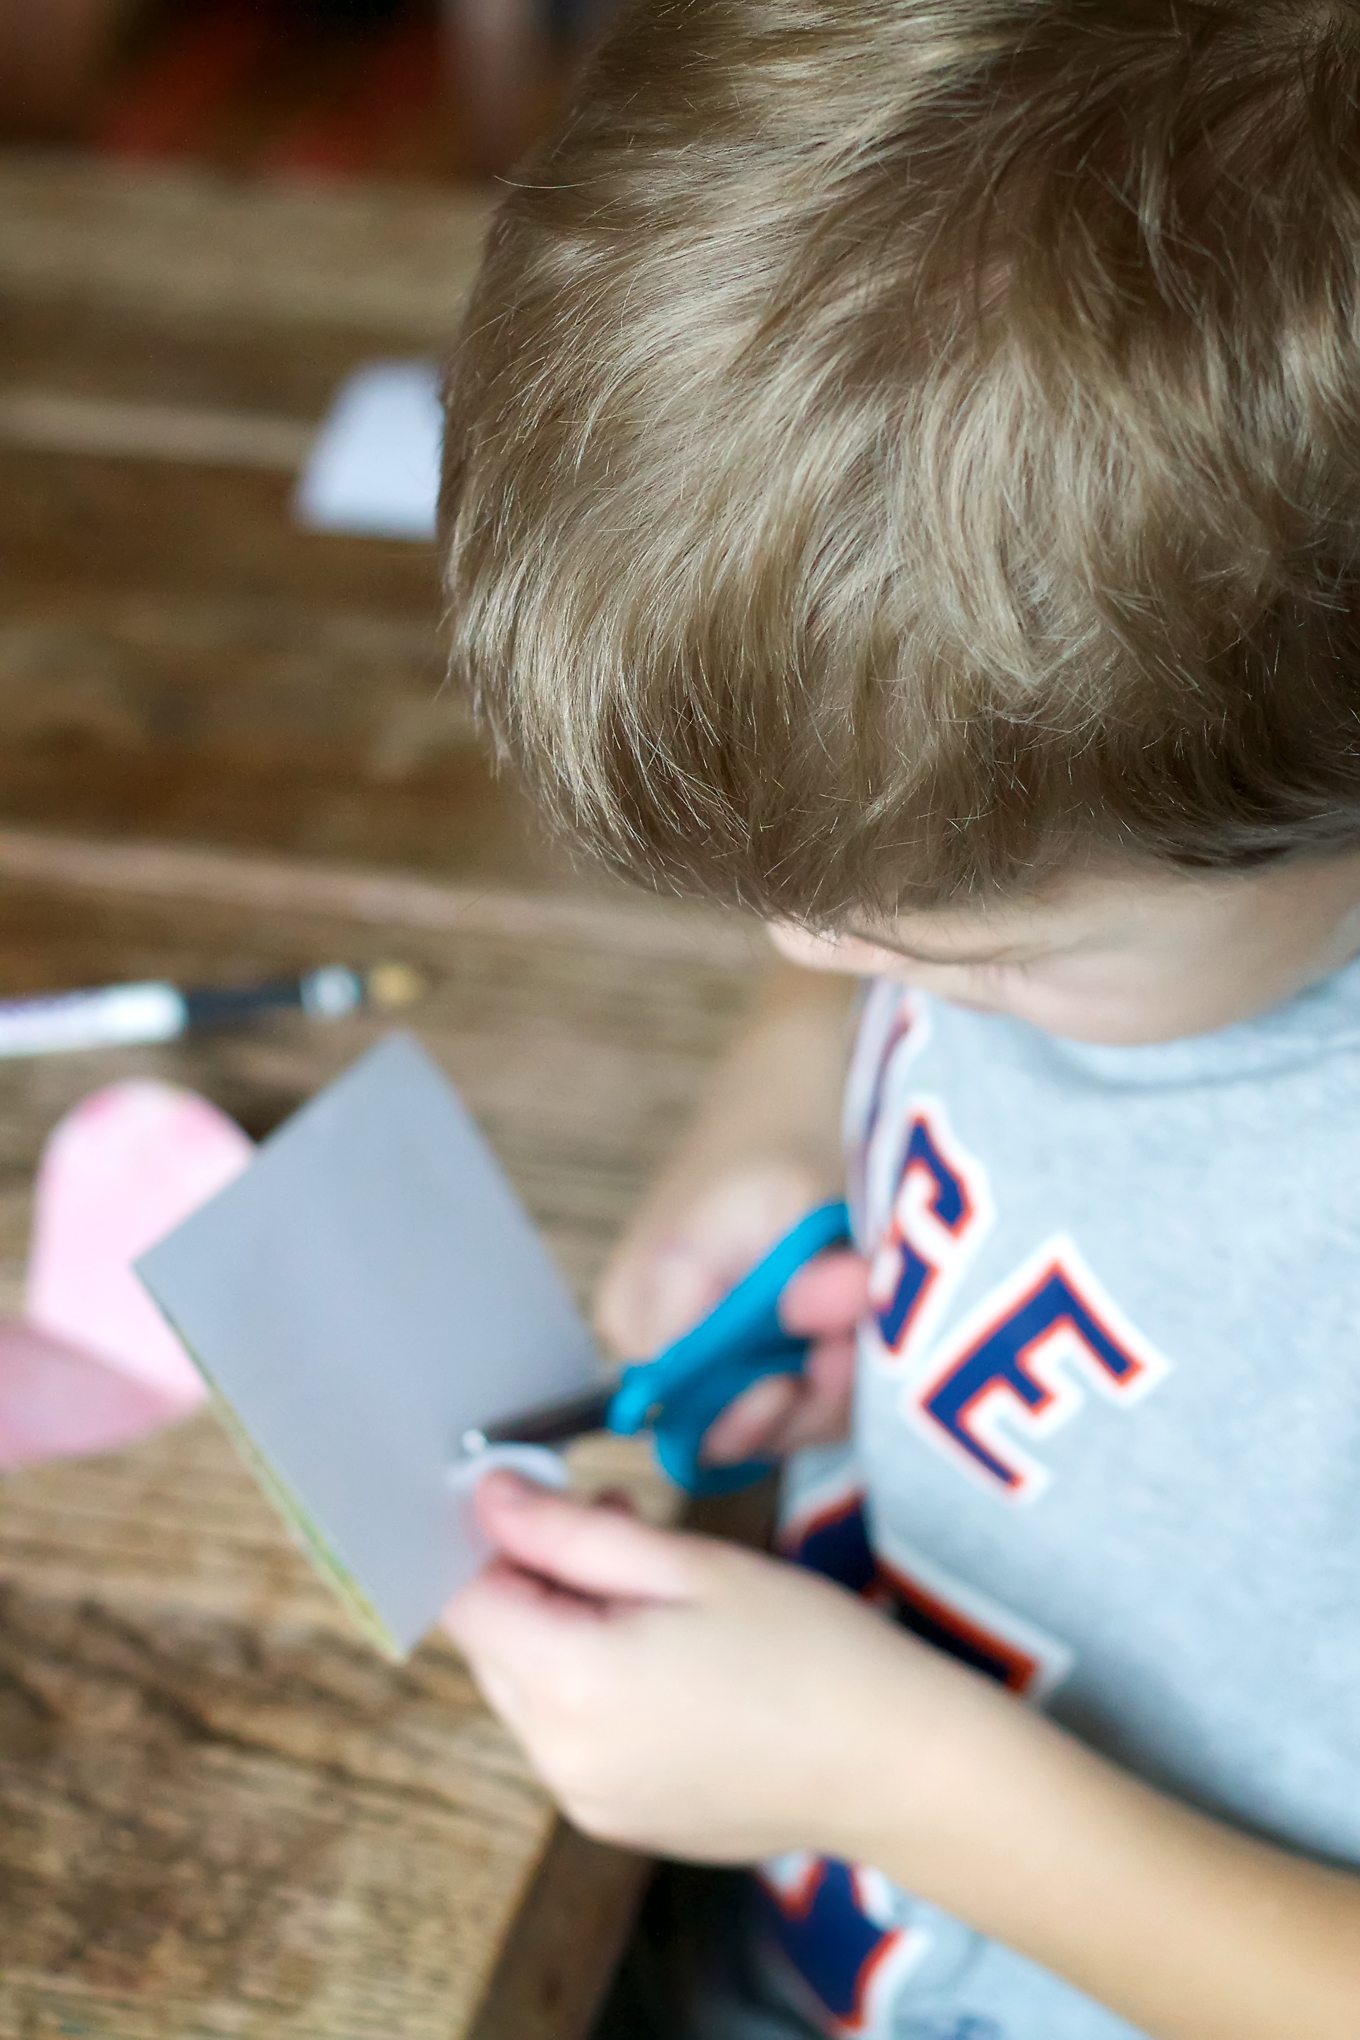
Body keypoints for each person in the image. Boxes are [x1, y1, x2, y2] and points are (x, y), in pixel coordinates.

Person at [437, 4, 1360, 2034]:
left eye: (956, 953)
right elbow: (848, 922)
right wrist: (778, 1105)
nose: (822, 950)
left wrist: (887, 1778)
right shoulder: (1127, 838)